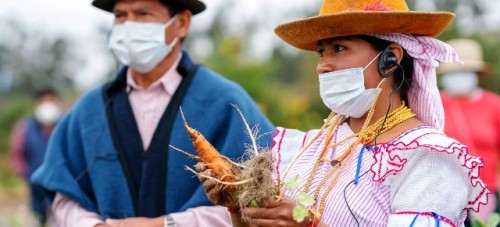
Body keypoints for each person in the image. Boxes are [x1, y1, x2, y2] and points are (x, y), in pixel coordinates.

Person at [198, 0, 491, 226]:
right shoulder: (311, 147)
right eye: (321, 51)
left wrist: (311, 224)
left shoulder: (427, 158)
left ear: (390, 59)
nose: (322, 65)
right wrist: (237, 205)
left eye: (339, 48)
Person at [30, 0, 274, 226]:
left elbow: (260, 198)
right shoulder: (89, 110)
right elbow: (64, 194)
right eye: (120, 15)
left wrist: (166, 224)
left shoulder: (226, 102)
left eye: (143, 13)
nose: (129, 25)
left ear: (181, 23)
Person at [439, 38, 500, 225]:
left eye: (464, 72)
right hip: (443, 195)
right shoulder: (432, 104)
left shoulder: (495, 105)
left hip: (485, 195)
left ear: (477, 74)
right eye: (454, 72)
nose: (459, 77)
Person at [10, 88, 62, 225]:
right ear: (36, 104)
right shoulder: (25, 127)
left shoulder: (65, 126)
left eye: (51, 101)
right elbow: (16, 154)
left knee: (62, 217)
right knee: (38, 218)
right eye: (44, 101)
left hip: (62, 184)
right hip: (35, 183)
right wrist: (25, 173)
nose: (48, 105)